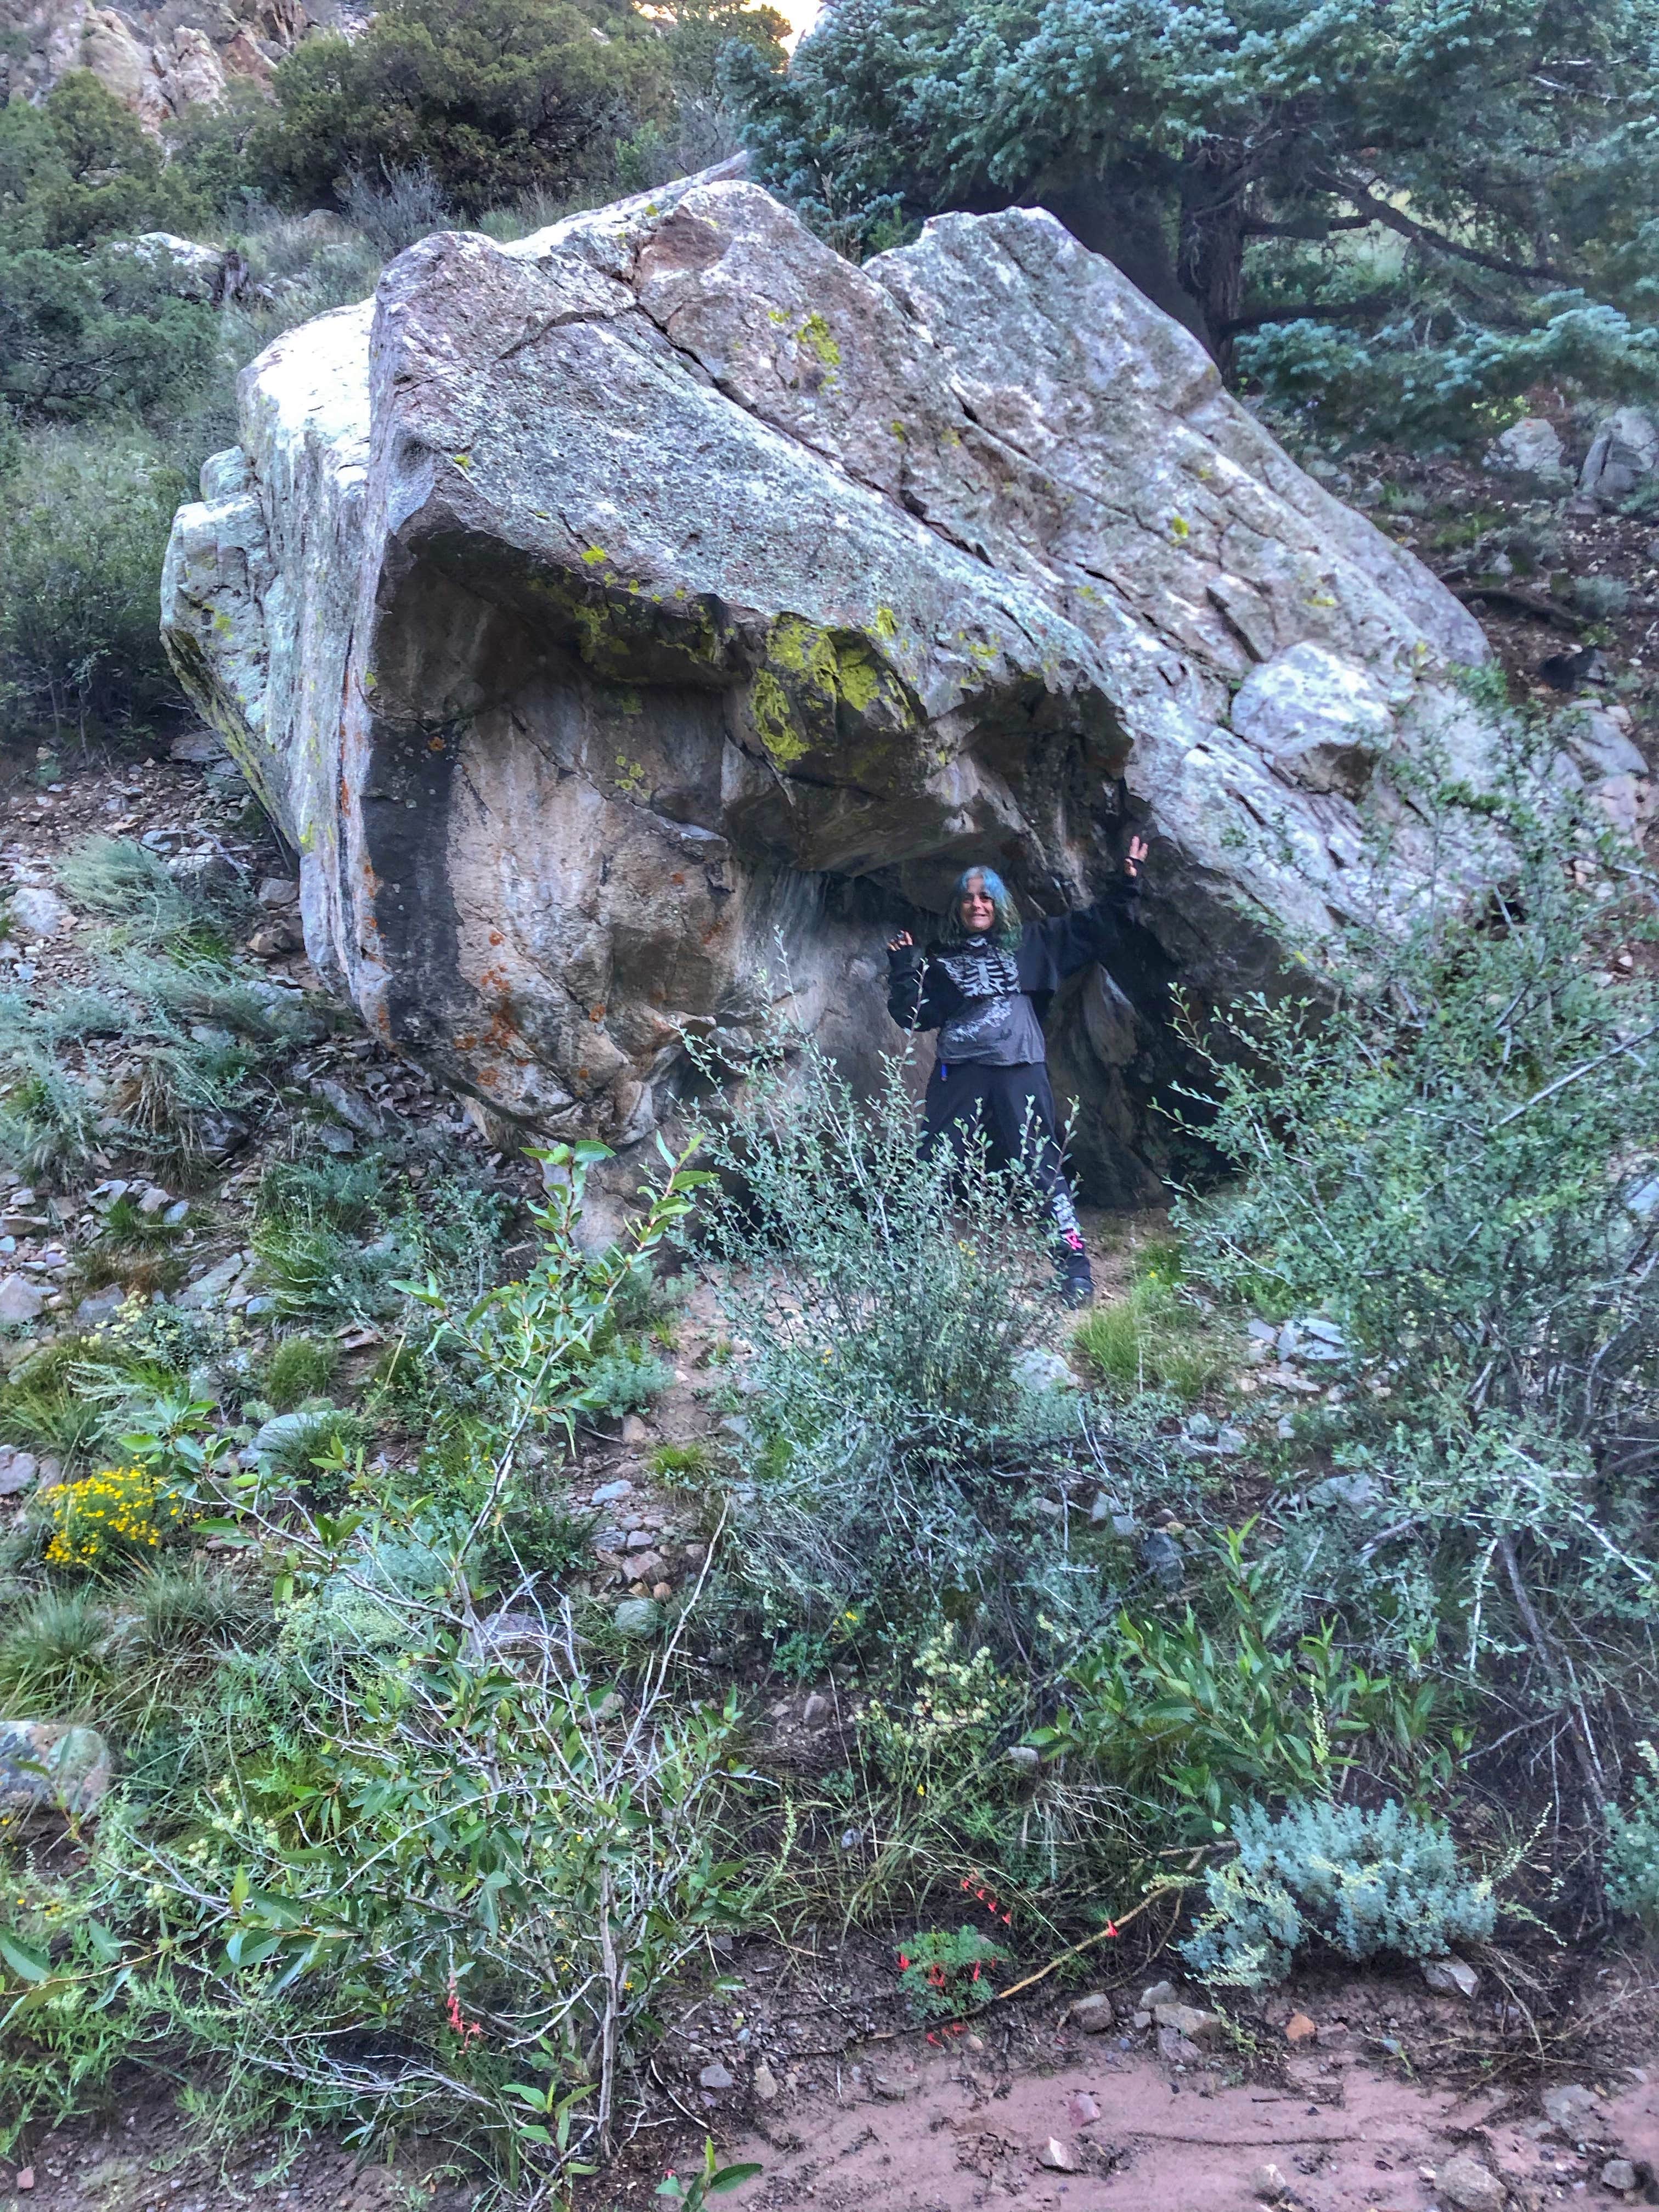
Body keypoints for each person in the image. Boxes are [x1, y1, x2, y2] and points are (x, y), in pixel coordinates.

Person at [885, 839, 1148, 1306]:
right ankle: (905, 1269)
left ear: (999, 903)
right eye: (968, 898)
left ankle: (1076, 1272)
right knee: (932, 1166)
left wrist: (1127, 884)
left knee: (1040, 1168)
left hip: (1020, 1070)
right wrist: (904, 969)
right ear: (958, 907)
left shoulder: (1034, 942)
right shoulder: (941, 959)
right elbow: (913, 1015)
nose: (977, 904)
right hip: (959, 1074)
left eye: (986, 897)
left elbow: (1098, 926)